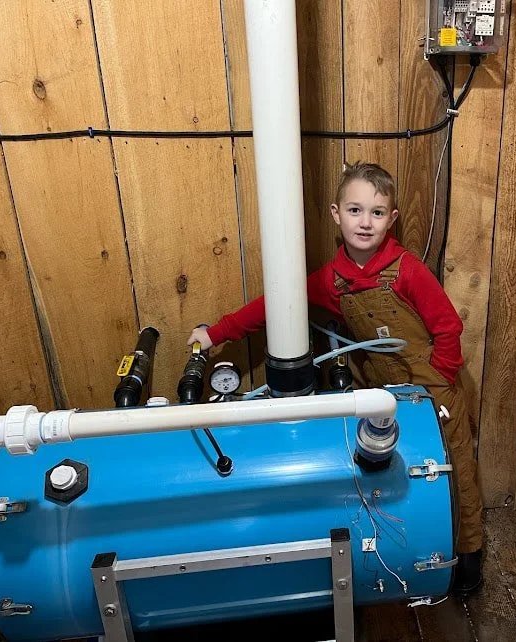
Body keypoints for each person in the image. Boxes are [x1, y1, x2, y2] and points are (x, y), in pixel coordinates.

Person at [187, 162, 484, 594]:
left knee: (454, 468)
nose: (365, 222)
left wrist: (440, 375)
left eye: (377, 213)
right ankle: (403, 550)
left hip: (432, 386)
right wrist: (215, 333)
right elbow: (273, 304)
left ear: (392, 219)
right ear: (336, 214)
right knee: (396, 468)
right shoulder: (332, 281)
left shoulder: (407, 270)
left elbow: (448, 327)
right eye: (355, 210)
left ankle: (470, 554)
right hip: (380, 391)